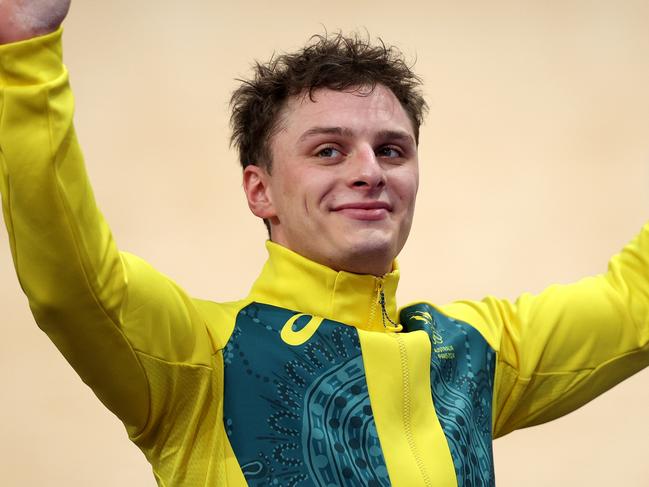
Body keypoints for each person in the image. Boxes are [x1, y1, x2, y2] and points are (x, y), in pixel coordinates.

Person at [1, 2, 648, 486]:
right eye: (328, 150)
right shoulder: (199, 356)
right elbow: (71, 281)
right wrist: (26, 56)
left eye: (391, 149)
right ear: (260, 191)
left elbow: (634, 299)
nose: (369, 170)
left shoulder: (469, 351)